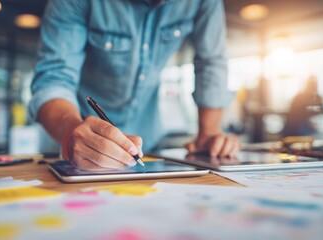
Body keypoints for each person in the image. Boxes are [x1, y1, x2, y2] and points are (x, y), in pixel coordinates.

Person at [30, 0, 240, 170]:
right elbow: (54, 79)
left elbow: (211, 62)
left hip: (150, 143)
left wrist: (209, 132)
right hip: (75, 141)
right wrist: (71, 132)